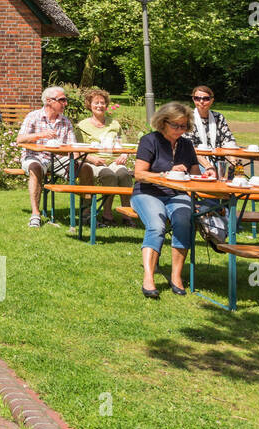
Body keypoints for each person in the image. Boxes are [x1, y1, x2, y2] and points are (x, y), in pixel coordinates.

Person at [131, 101, 213, 299]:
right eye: (175, 125)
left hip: (176, 194)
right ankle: (149, 277)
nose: (180, 130)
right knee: (157, 226)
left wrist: (207, 174)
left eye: (183, 126)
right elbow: (139, 174)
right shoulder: (150, 140)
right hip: (148, 192)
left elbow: (194, 174)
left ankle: (176, 276)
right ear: (163, 122)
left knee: (185, 221)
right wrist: (166, 174)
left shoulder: (186, 144)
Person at [16, 86, 82, 228]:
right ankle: (35, 214)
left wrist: (76, 160)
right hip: (35, 156)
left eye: (65, 100)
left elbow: (73, 146)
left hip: (58, 159)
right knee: (35, 168)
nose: (65, 103)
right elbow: (20, 139)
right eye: (62, 100)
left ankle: (88, 213)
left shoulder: (65, 121)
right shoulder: (33, 116)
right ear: (49, 101)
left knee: (86, 169)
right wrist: (41, 135)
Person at [75, 88, 133, 221]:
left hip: (114, 161)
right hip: (93, 162)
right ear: (89, 105)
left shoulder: (114, 124)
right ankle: (107, 214)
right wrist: (91, 158)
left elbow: (123, 144)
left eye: (103, 103)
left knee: (124, 174)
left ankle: (127, 213)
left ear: (106, 105)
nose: (100, 105)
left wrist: (124, 154)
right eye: (96, 102)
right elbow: (78, 150)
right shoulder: (82, 126)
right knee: (109, 175)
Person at [185, 85, 238, 175]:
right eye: (197, 98)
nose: (201, 101)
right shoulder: (187, 118)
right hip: (195, 162)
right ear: (193, 99)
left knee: (236, 173)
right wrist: (208, 166)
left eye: (206, 99)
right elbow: (190, 148)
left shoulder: (218, 117)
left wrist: (233, 162)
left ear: (212, 100)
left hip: (218, 161)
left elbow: (229, 142)